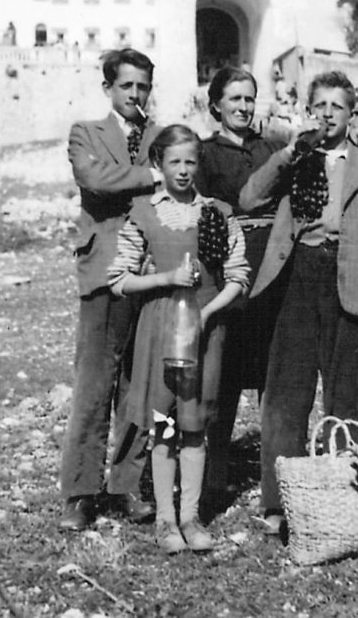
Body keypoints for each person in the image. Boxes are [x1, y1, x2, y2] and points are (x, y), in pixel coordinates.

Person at [240, 71, 358, 535]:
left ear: (352, 113)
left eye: (337, 106)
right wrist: (290, 153)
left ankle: (341, 502)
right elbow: (249, 198)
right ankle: (280, 502)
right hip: (297, 281)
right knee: (285, 398)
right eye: (320, 106)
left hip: (350, 287)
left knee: (343, 397)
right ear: (310, 111)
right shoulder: (294, 159)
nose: (328, 114)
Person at [107, 124, 250, 553]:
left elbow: (239, 276)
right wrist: (165, 278)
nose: (184, 170)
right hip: (160, 329)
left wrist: (206, 313)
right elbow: (119, 279)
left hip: (204, 330)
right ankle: (166, 521)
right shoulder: (144, 213)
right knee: (164, 424)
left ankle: (191, 515)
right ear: (158, 164)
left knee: (194, 426)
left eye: (190, 161)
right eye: (175, 162)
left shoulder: (217, 212)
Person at [59, 48, 163, 531]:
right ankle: (80, 493)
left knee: (137, 386)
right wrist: (151, 176)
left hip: (149, 271)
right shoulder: (86, 132)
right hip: (103, 271)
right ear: (108, 89)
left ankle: (126, 487)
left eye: (142, 87)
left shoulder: (158, 137)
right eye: (127, 86)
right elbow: (94, 179)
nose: (135, 95)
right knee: (94, 385)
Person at [193, 68, 286, 502]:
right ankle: (214, 474)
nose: (243, 107)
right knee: (224, 375)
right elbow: (198, 208)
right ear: (216, 105)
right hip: (229, 270)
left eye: (250, 99)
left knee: (272, 372)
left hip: (271, 269)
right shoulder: (204, 154)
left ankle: (275, 476)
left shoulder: (271, 149)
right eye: (234, 99)